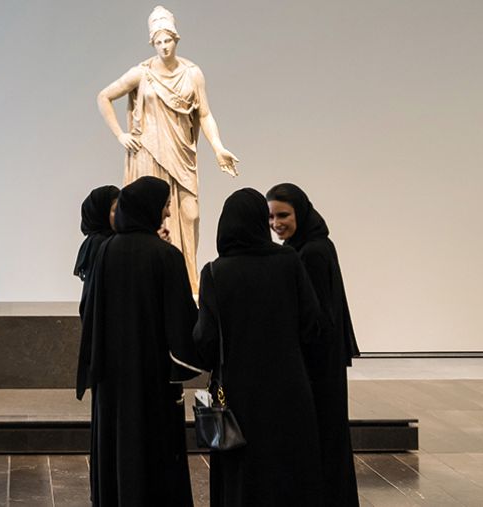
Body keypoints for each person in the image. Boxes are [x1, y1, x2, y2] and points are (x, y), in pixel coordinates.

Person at [77, 176, 202, 506]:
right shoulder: (166, 256)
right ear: (149, 207)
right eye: (164, 206)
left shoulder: (105, 251)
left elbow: (90, 311)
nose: (168, 213)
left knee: (116, 443)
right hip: (152, 377)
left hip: (111, 377)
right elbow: (181, 321)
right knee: (154, 447)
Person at [193, 188, 323, 506]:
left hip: (239, 394)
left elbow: (205, 340)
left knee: (242, 473)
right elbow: (312, 324)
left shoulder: (215, 273)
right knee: (289, 469)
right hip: (290, 388)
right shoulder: (288, 261)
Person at [97, 5, 239, 293]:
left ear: (176, 39)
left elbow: (204, 114)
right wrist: (121, 135)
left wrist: (218, 148)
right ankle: (150, 284)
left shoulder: (192, 73)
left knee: (190, 215)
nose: (163, 46)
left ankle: (188, 283)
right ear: (152, 43)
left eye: (168, 40)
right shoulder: (142, 74)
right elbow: (104, 96)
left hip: (181, 153)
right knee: (148, 218)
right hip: (148, 153)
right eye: (158, 41)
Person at [267, 183, 360, 507]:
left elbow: (316, 316)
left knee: (323, 435)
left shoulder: (312, 252)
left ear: (300, 212)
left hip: (317, 364)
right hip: (321, 360)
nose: (276, 223)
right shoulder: (309, 246)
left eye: (283, 215)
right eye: (271, 217)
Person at [74, 185, 120, 283]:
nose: (121, 215)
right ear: (103, 212)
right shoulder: (100, 243)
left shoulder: (97, 242)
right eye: (115, 210)